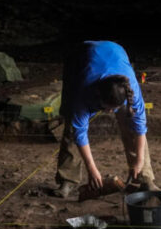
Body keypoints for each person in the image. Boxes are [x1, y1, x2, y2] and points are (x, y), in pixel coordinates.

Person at [53, 41, 154, 198]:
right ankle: (68, 179)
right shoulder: (83, 90)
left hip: (116, 52)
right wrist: (92, 169)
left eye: (114, 109)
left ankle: (144, 178)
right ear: (97, 96)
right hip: (79, 61)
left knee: (130, 124)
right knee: (72, 127)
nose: (110, 112)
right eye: (107, 108)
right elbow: (80, 132)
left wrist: (139, 161)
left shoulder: (130, 90)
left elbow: (140, 128)